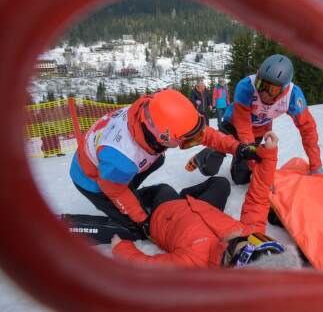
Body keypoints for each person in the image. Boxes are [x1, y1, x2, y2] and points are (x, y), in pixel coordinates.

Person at [70, 89, 259, 239]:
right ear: (163, 137)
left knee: (157, 160)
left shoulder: (154, 110)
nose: (196, 141)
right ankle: (75, 226)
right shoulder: (123, 159)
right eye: (187, 141)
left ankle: (131, 197)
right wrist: (142, 220)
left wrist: (238, 148)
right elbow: (114, 189)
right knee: (135, 228)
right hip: (93, 180)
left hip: (111, 164)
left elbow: (206, 135)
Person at [111, 131, 301, 269]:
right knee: (220, 184)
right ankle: (187, 196)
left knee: (163, 189)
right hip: (202, 208)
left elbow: (149, 268)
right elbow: (259, 197)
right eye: (263, 240)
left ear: (233, 258)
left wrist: (121, 248)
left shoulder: (193, 263)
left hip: (168, 213)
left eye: (252, 242)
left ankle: (133, 197)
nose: (251, 235)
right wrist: (268, 155)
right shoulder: (251, 234)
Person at [193, 54, 323, 185]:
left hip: (258, 131)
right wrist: (250, 158)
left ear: (284, 89)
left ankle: (234, 158)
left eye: (271, 89)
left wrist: (316, 165)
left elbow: (308, 129)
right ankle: (204, 156)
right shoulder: (246, 87)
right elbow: (243, 126)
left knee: (241, 178)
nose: (263, 93)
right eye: (260, 83)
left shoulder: (293, 96)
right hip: (232, 125)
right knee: (209, 168)